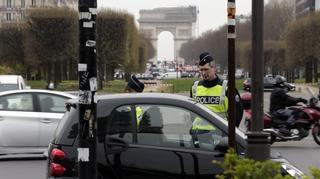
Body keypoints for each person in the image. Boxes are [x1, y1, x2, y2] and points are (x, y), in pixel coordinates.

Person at [190, 52, 244, 127]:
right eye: (201, 70)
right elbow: (191, 112)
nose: (203, 73)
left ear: (214, 68)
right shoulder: (195, 87)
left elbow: (237, 112)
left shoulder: (227, 87)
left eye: (206, 69)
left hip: (220, 136)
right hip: (198, 135)